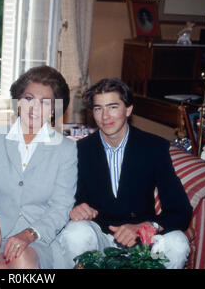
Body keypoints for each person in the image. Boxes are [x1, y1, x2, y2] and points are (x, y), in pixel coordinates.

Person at [57, 78, 193, 269]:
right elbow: (61, 197)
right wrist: (74, 208)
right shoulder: (80, 150)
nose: (105, 116)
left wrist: (146, 227)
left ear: (128, 109)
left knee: (177, 242)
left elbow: (181, 211)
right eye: (98, 108)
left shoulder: (154, 147)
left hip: (142, 239)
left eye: (113, 107)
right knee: (75, 233)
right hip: (99, 238)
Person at [0, 65, 77, 269]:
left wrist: (28, 235)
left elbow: (61, 207)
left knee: (21, 257)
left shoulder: (66, 149)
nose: (34, 108)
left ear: (53, 110)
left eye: (45, 103)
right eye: (29, 98)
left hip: (39, 238)